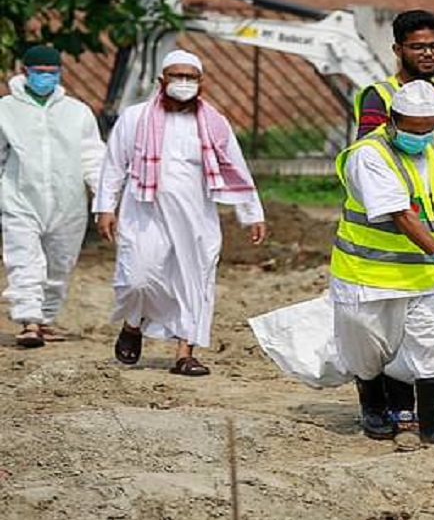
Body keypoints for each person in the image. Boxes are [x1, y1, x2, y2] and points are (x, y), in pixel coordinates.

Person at [94, 50, 267, 377]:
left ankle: (185, 352)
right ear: (162, 80)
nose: (183, 83)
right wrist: (105, 207)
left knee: (195, 280)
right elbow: (114, 165)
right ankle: (134, 324)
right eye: (177, 76)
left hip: (195, 215)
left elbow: (236, 169)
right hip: (143, 213)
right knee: (137, 279)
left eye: (191, 77)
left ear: (202, 83)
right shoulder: (135, 118)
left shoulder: (215, 124)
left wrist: (251, 213)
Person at [351, 9, 434, 436]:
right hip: (394, 232)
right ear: (398, 49)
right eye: (418, 46)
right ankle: (393, 405)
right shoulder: (380, 95)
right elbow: (373, 163)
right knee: (386, 329)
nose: (428, 54)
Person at [332, 80, 434, 447]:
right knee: (370, 352)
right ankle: (375, 407)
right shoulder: (370, 155)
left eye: (427, 130)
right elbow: (400, 214)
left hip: (426, 277)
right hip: (371, 276)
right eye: (412, 129)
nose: (420, 137)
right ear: (392, 121)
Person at [0, 45, 106, 348]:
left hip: (68, 202)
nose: (45, 78)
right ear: (24, 72)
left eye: (51, 73)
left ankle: (44, 319)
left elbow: (92, 157)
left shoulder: (76, 112)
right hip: (20, 198)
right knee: (24, 260)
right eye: (39, 73)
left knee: (60, 264)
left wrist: (104, 197)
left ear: (60, 73)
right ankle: (28, 321)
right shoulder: (6, 110)